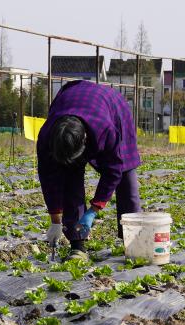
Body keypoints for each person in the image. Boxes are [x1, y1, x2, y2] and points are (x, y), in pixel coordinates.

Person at [36, 79, 141, 254]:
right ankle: (77, 246)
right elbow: (47, 177)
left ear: (85, 140)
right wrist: (55, 220)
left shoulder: (106, 130)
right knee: (70, 180)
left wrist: (94, 209)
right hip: (73, 97)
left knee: (126, 180)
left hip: (112, 107)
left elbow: (114, 170)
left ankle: (133, 242)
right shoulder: (48, 136)